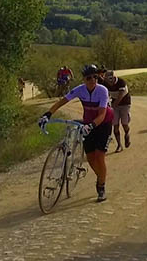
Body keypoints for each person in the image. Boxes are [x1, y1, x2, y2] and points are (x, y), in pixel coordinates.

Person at [39, 64, 114, 202]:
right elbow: (62, 102)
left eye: (95, 77)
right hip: (88, 122)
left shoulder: (102, 90)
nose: (93, 80)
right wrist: (47, 114)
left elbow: (102, 114)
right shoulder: (80, 90)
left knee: (99, 156)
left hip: (103, 123)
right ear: (84, 79)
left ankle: (101, 187)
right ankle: (101, 176)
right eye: (89, 77)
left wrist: (91, 125)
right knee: (90, 158)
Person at [104, 70, 132, 153]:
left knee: (124, 124)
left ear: (114, 77)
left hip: (125, 104)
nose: (110, 82)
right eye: (108, 80)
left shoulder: (121, 82)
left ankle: (127, 134)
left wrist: (112, 106)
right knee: (115, 125)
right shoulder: (106, 84)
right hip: (114, 105)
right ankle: (119, 145)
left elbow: (120, 97)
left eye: (111, 79)